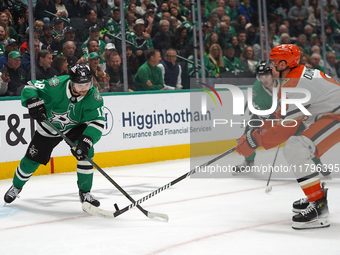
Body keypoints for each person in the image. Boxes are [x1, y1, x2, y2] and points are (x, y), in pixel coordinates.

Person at [235, 44, 340, 229]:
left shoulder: (293, 84)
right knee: (298, 147)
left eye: (274, 62)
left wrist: (254, 140)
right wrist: (254, 135)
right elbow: (281, 116)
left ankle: (319, 207)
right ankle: (315, 197)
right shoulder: (296, 75)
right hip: (331, 114)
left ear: (285, 63)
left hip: (336, 115)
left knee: (296, 147)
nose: (271, 66)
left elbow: (286, 127)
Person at [3, 63, 105, 209]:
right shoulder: (56, 85)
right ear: (71, 82)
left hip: (75, 127)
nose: (84, 89)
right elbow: (30, 87)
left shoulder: (93, 96)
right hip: (48, 128)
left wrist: (87, 140)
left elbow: (97, 121)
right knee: (31, 160)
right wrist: (32, 101)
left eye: (87, 84)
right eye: (80, 85)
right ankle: (16, 186)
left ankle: (85, 192)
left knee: (86, 152)